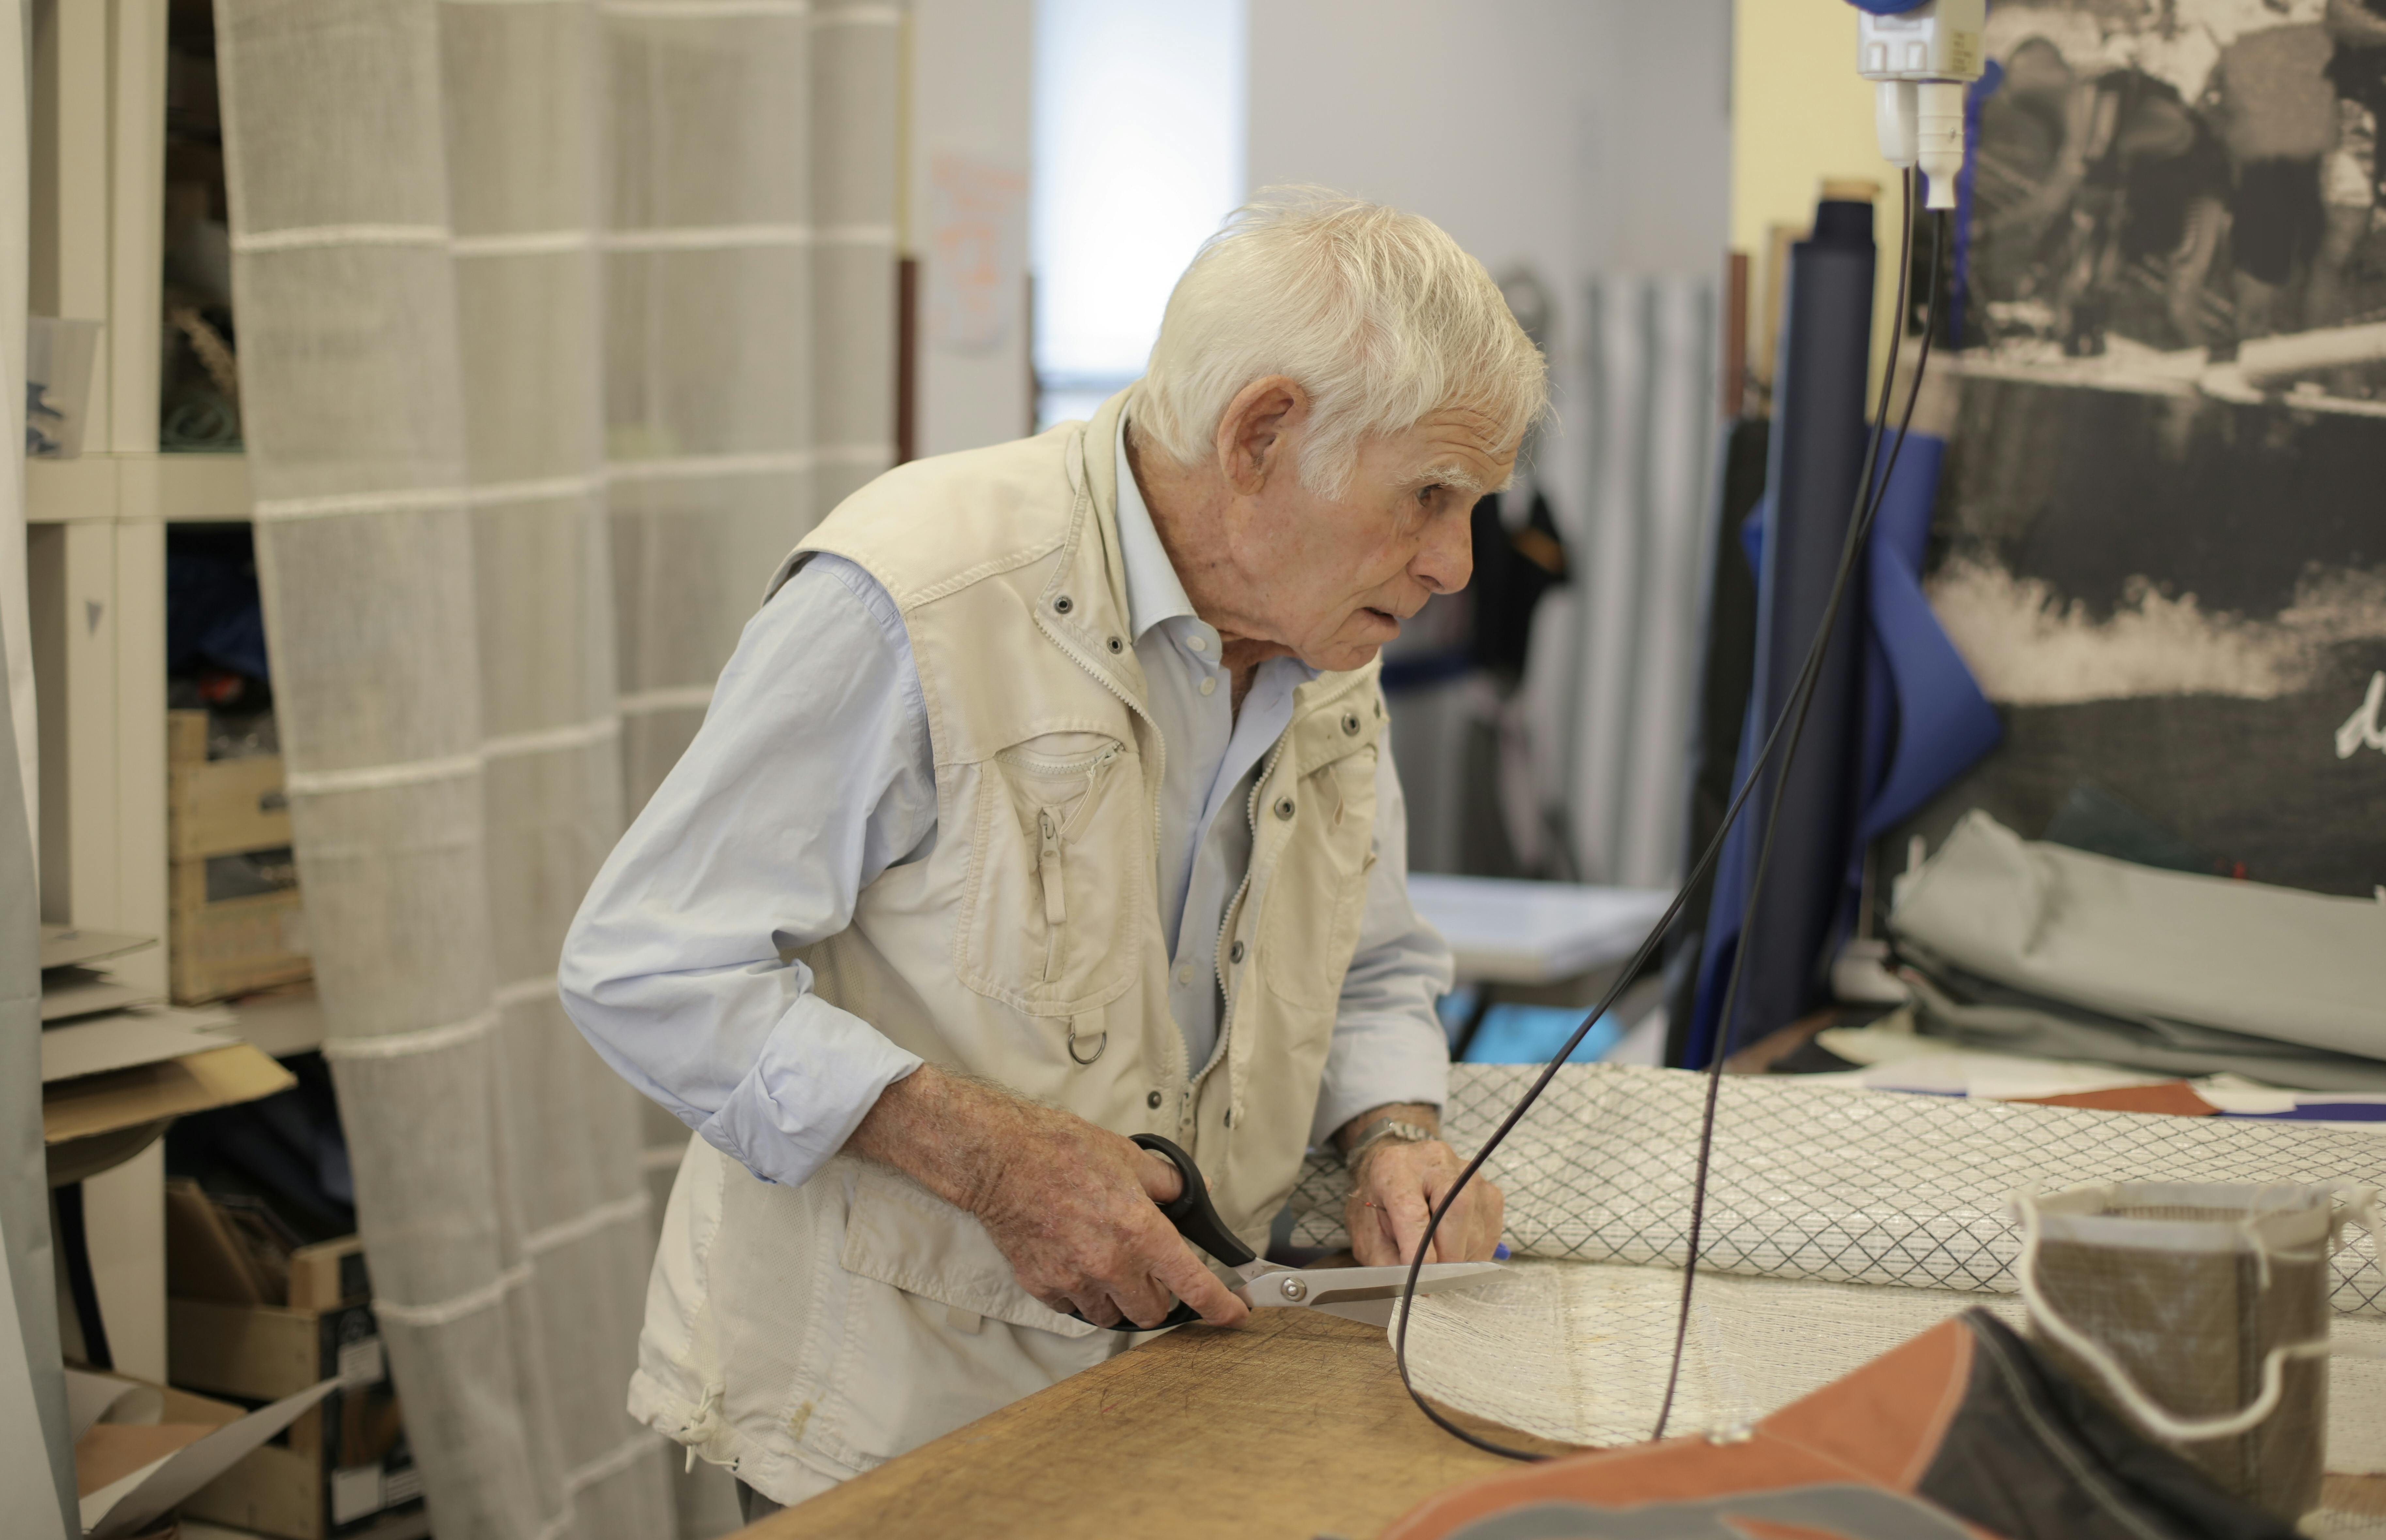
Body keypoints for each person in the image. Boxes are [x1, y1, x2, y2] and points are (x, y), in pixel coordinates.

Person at [558, 189, 1537, 1518]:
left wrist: (1398, 1130)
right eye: (1428, 495)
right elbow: (642, 966)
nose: (1454, 562)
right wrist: (985, 1152)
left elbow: (1370, 968)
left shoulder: (1322, 646)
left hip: (1185, 1396)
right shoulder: (915, 595)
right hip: (886, 1418)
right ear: (1261, 435)